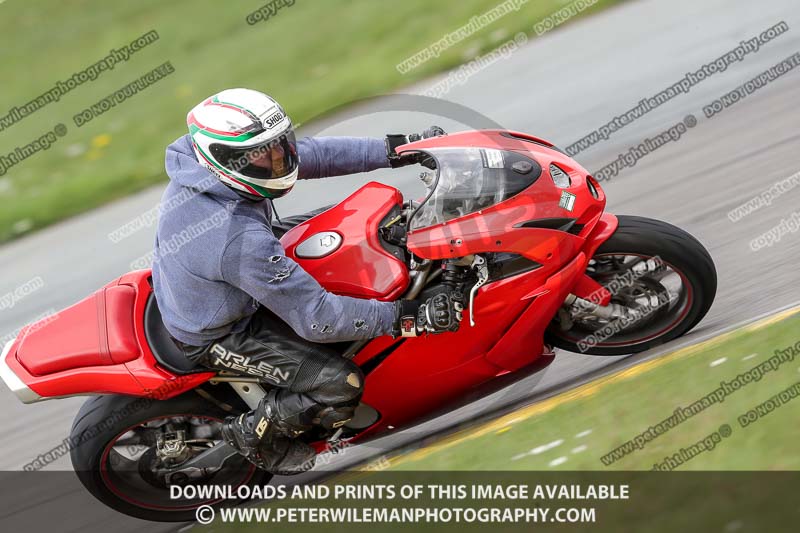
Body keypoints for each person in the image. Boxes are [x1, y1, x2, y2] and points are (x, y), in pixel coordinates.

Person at [152, 88, 465, 474]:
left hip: (228, 266)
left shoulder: (205, 160)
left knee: (372, 220)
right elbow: (319, 320)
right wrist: (411, 317)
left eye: (279, 146)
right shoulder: (235, 239)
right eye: (267, 155)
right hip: (223, 332)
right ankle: (255, 434)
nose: (280, 160)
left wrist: (401, 148)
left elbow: (312, 155)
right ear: (226, 159)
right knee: (340, 383)